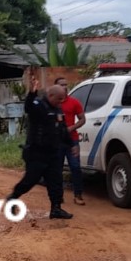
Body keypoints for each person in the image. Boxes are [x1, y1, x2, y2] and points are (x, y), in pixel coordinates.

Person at [6, 85, 74, 220]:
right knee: (29, 181)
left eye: (63, 99)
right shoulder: (38, 105)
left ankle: (56, 209)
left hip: (53, 153)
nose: (61, 102)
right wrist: (31, 93)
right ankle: (12, 199)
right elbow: (28, 107)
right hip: (37, 153)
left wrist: (71, 145)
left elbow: (63, 129)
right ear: (51, 96)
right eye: (59, 99)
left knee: (56, 182)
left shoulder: (58, 110)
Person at [55, 77, 87, 206]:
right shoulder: (52, 104)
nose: (65, 87)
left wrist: (71, 128)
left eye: (66, 84)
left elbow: (82, 119)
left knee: (75, 167)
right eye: (61, 85)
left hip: (72, 141)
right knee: (56, 169)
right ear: (56, 88)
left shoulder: (74, 102)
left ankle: (78, 195)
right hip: (57, 141)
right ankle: (58, 196)